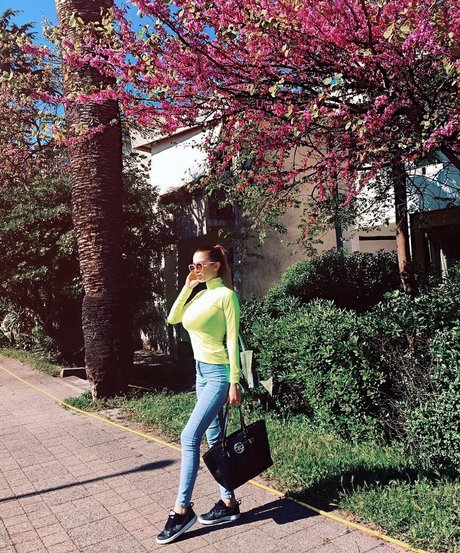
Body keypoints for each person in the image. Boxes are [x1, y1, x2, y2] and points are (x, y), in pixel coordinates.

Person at [156, 244, 242, 545]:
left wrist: (234, 382)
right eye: (192, 265)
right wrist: (187, 286)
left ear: (216, 265)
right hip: (201, 373)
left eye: (200, 265)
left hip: (219, 375)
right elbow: (173, 318)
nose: (196, 269)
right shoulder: (200, 294)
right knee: (213, 438)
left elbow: (232, 341)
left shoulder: (226, 296)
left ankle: (182, 510)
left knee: (189, 436)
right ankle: (229, 503)